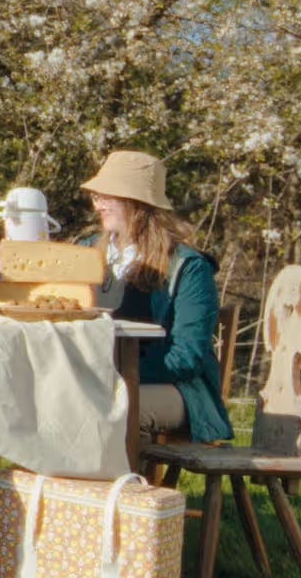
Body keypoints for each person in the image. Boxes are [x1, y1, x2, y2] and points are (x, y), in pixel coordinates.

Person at [79, 150, 232, 443]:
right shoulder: (85, 254)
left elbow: (185, 358)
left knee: (105, 409)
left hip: (177, 388)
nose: (98, 205)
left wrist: (118, 376)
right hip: (101, 380)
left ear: (136, 203)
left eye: (106, 197)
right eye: (97, 197)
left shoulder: (188, 267)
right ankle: (47, 487)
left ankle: (120, 487)